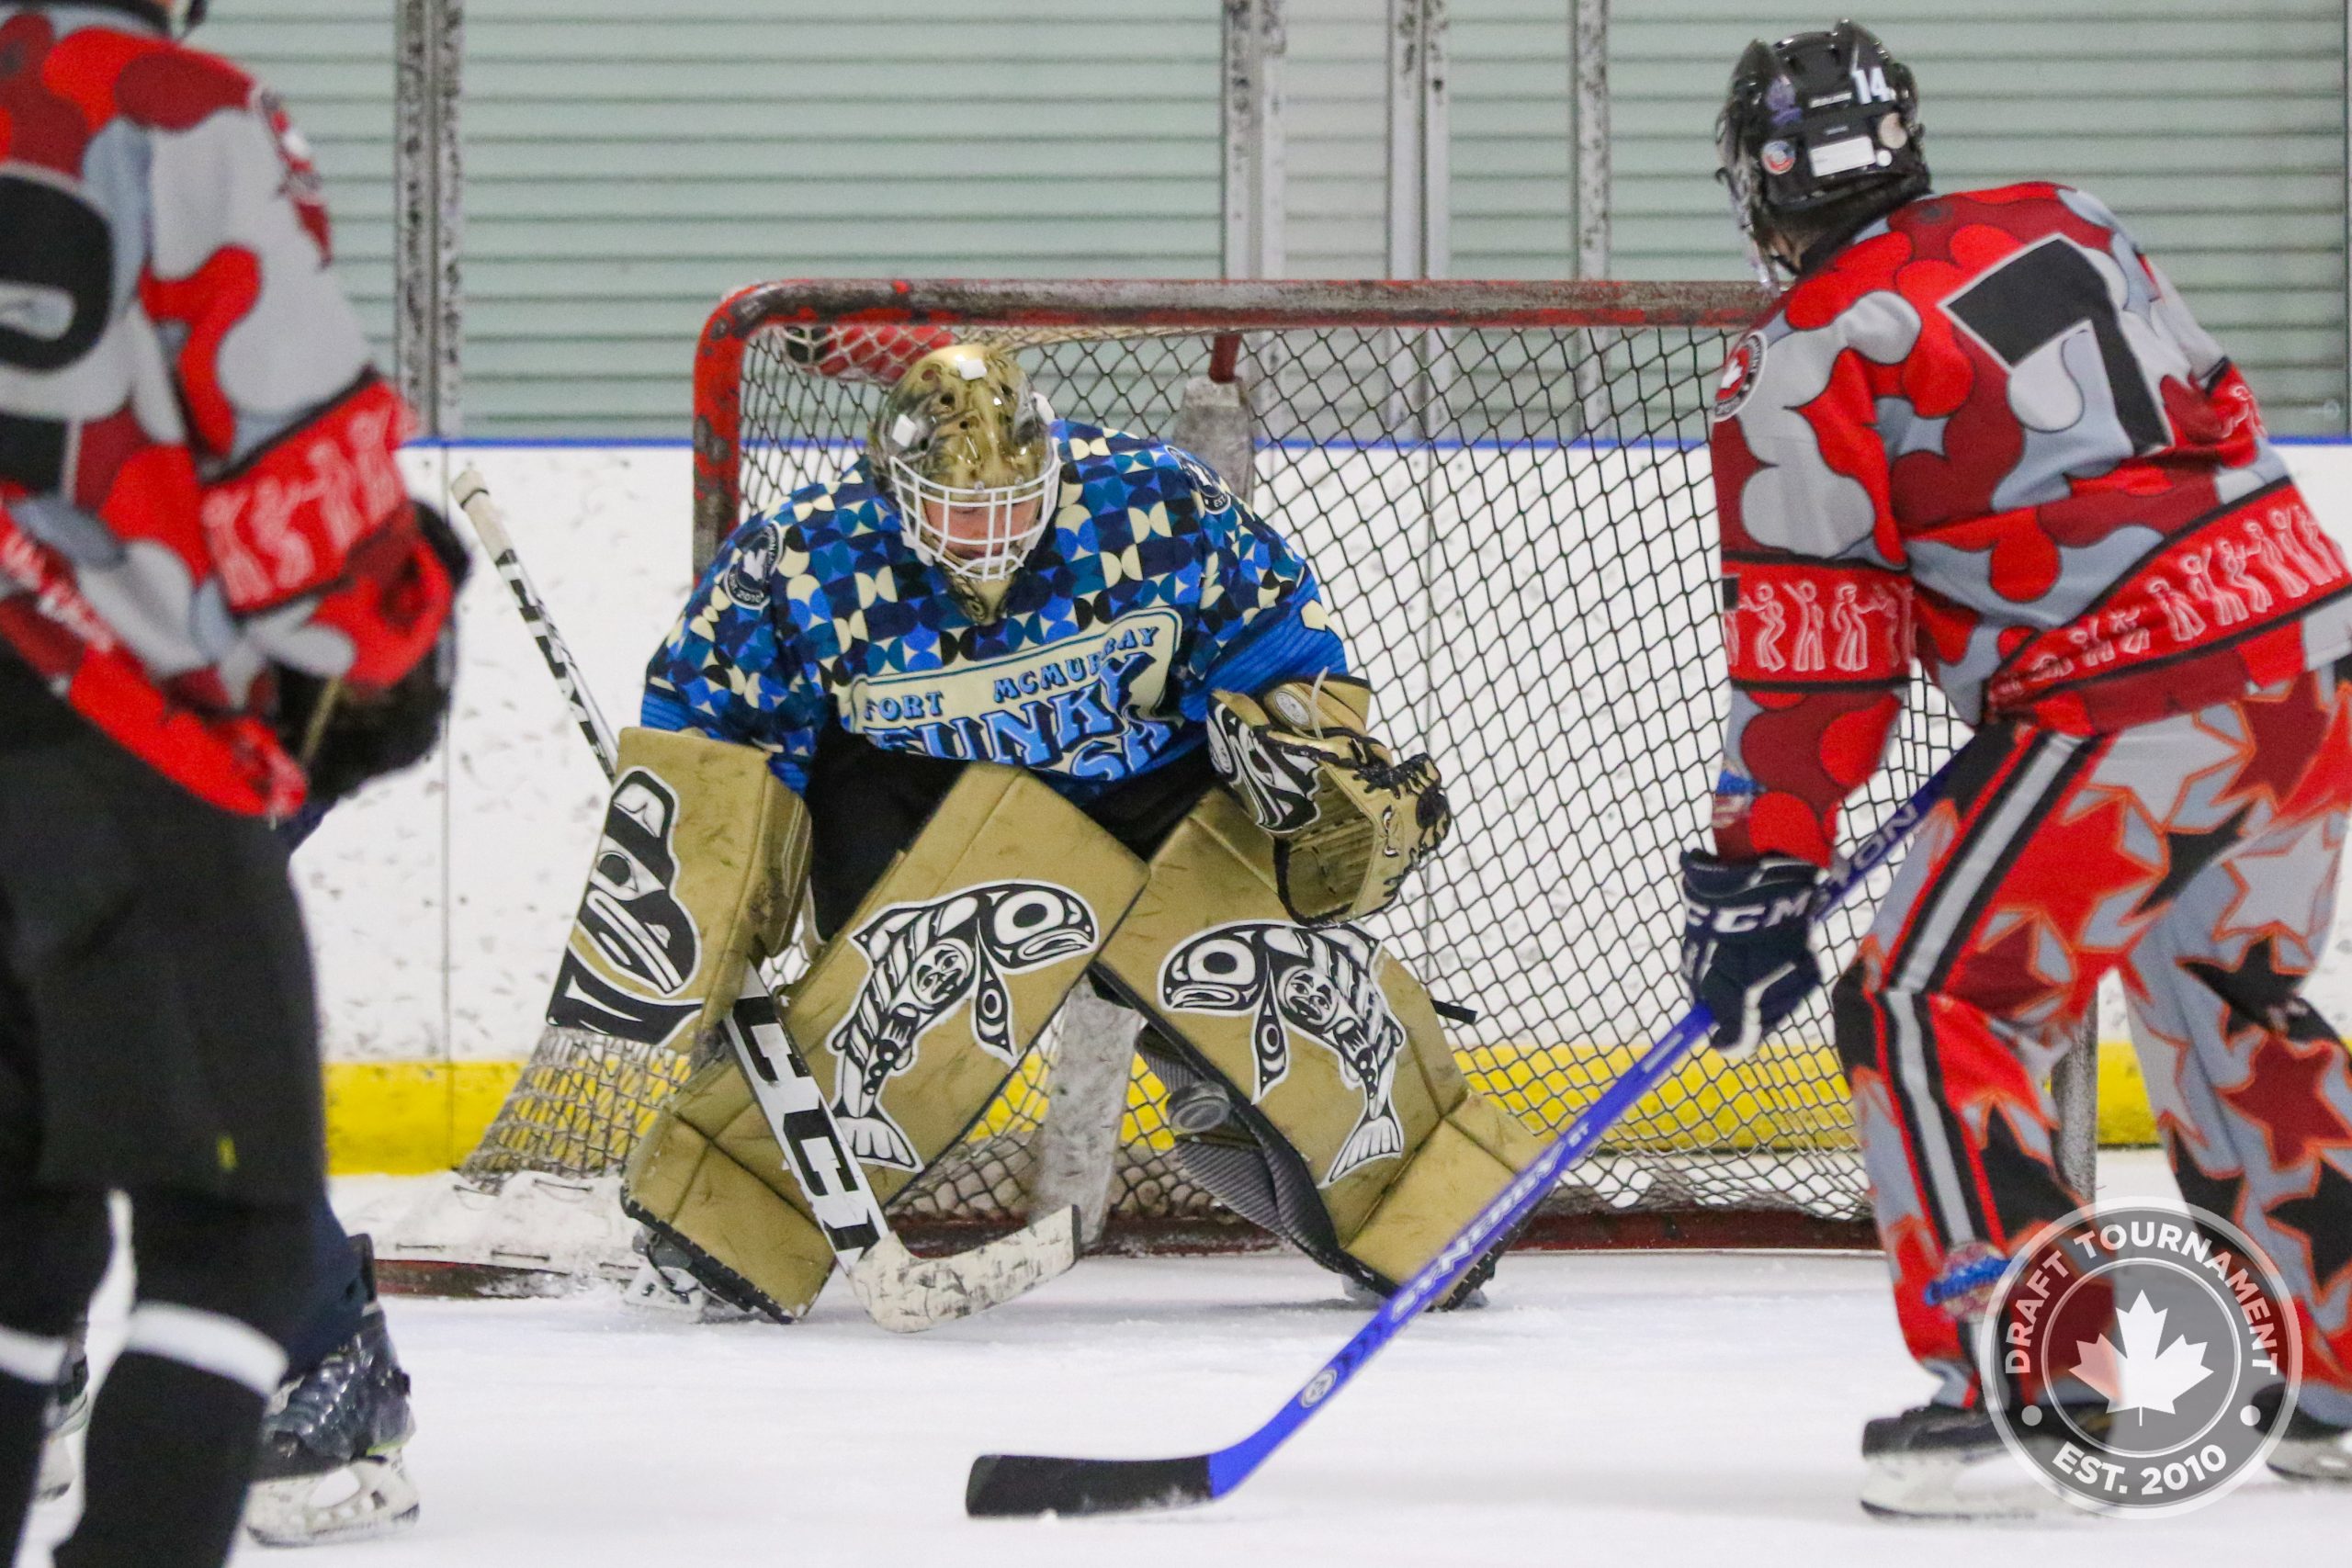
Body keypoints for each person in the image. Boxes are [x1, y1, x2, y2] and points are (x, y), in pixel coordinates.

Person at [1684, 20, 2352, 1517]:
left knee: (1929, 1000)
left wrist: (1758, 861)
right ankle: (2340, 1376)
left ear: (1760, 186)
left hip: (2127, 710)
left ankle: (2023, 1383)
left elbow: (1820, 660)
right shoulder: (2072, 217)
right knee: (2229, 995)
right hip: (2305, 662)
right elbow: (2211, 420)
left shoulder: (1795, 361)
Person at [545, 340, 1542, 1324]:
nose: (984, 538)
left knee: (1292, 989)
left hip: (1153, 786)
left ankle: (1391, 1185)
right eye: (953, 512)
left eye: (1009, 508)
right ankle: (724, 1217)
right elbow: (714, 739)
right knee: (898, 998)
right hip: (925, 803)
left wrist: (1307, 747)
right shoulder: (806, 556)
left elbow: (1280, 646)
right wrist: (710, 900)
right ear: (890, 490)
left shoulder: (1154, 502)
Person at [0, 1, 457, 1562]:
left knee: (16, 1238)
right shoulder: (162, 110)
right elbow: (297, 476)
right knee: (233, 1232)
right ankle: (307, 1396)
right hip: (104, 746)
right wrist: (390, 637)